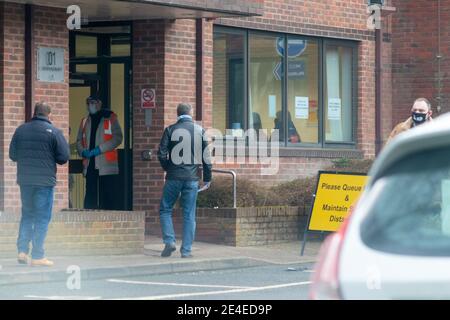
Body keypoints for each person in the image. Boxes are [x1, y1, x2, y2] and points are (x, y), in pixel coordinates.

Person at [9, 102, 70, 267]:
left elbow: (12, 155)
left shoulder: (21, 130)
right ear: (49, 115)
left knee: (27, 214)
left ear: (35, 113)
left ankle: (22, 251)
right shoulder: (54, 132)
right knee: (42, 218)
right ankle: (37, 255)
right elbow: (64, 157)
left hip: (25, 181)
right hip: (44, 182)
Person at [157, 103, 212, 258]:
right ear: (191, 113)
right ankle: (186, 251)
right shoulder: (200, 131)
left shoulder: (170, 130)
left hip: (173, 177)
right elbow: (206, 158)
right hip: (192, 179)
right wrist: (207, 178)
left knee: (165, 209)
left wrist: (169, 168)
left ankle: (169, 241)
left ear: (177, 114)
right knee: (189, 214)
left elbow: (161, 154)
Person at [76, 94, 123, 210]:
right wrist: (83, 152)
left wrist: (99, 149)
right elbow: (78, 140)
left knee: (107, 195)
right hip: (90, 163)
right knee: (90, 194)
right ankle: (88, 221)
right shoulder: (84, 121)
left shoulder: (110, 117)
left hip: (106, 164)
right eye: (88, 103)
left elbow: (117, 138)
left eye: (92, 102)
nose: (90, 105)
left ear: (99, 103)